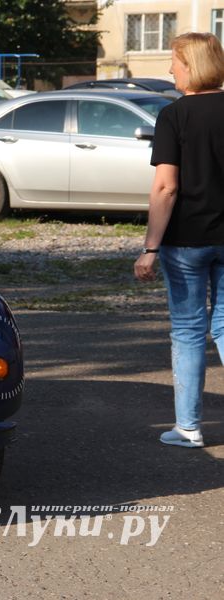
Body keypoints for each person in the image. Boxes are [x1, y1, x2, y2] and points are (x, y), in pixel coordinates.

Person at [134, 32, 224, 448]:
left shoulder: (174, 116)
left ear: (191, 66)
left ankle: (188, 428)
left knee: (188, 330)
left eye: (175, 62)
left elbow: (166, 188)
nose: (171, 69)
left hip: (186, 241)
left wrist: (150, 248)